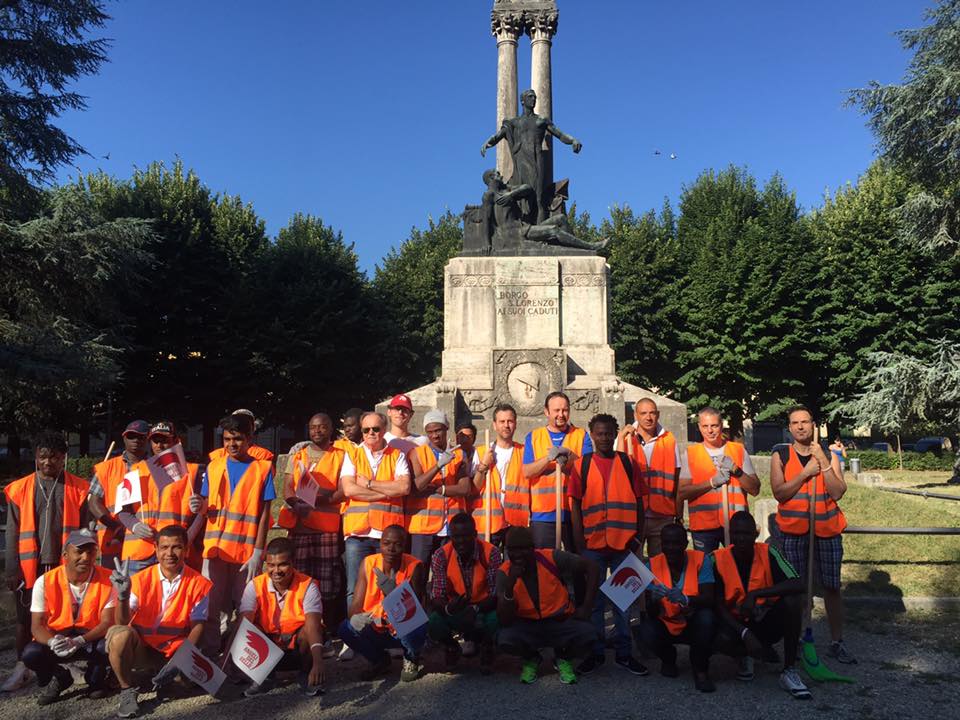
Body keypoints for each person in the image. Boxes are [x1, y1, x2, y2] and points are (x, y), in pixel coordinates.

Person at [3, 432, 89, 693]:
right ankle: (22, 668)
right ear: (36, 458)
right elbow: (12, 532)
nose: (48, 461)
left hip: (65, 565)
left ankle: (65, 665)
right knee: (24, 618)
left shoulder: (79, 488)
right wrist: (11, 568)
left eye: (54, 456)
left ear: (64, 458)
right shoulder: (19, 489)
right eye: (43, 456)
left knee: (63, 617)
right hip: (30, 566)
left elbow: (85, 532)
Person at [771, 406, 853, 664]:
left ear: (813, 425)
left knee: (831, 587)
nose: (800, 427)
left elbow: (838, 491)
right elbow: (780, 493)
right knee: (798, 589)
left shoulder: (829, 454)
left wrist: (825, 462)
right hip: (794, 531)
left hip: (826, 531)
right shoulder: (780, 454)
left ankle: (836, 641)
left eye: (805, 422)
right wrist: (806, 473)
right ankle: (798, 639)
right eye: (795, 423)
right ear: (789, 427)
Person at [568, 413, 648, 676]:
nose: (604, 438)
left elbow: (639, 502)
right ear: (592, 435)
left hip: (623, 544)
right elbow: (575, 505)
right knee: (595, 603)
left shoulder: (628, 463)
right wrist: (579, 541)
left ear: (615, 435)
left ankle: (625, 654)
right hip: (593, 544)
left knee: (624, 603)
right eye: (599, 433)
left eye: (608, 433)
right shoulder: (581, 465)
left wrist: (638, 537)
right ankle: (596, 654)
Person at [106, 524, 212, 718]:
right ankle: (127, 690)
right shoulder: (139, 579)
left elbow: (198, 627)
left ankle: (159, 676)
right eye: (164, 547)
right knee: (119, 636)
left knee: (186, 685)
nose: (169, 553)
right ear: (155, 549)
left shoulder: (199, 583)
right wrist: (122, 596)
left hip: (171, 651)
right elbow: (122, 621)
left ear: (186, 550)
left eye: (176, 547)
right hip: (141, 647)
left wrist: (180, 660)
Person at [192, 413, 274, 655]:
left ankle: (240, 658)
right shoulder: (215, 466)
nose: (231, 444)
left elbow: (264, 514)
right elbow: (210, 506)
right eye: (227, 439)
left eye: (237, 439)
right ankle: (210, 654)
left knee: (246, 606)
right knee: (210, 606)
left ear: (250, 439)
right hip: (216, 550)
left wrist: (259, 552)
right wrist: (200, 506)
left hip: (246, 552)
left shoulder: (263, 468)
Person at [712, 512, 810, 699]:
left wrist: (756, 594)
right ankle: (744, 654)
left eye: (746, 533)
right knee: (716, 634)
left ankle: (789, 670)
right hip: (734, 626)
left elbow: (798, 583)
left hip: (762, 620)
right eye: (736, 533)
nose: (741, 538)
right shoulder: (716, 559)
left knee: (792, 600)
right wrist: (744, 632)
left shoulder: (768, 552)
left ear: (755, 534)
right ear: (730, 534)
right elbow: (716, 604)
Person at [339, 412, 411, 660]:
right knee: (353, 589)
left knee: (390, 588)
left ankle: (394, 635)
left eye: (376, 429)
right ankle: (354, 636)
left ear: (384, 429)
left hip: (386, 533)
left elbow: (403, 487)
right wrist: (384, 491)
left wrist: (368, 484)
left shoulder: (397, 455)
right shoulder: (352, 454)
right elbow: (348, 488)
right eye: (367, 429)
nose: (371, 434)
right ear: (361, 430)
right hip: (358, 532)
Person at [495, 527, 599, 685]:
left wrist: (586, 606)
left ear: (532, 547)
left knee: (589, 634)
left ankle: (563, 657)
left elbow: (592, 567)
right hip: (527, 625)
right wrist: (510, 586)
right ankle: (531, 658)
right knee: (505, 639)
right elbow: (504, 620)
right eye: (512, 550)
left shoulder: (551, 557)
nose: (517, 554)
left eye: (523, 548)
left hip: (559, 622)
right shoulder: (504, 572)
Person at [277, 412, 347, 646]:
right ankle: (303, 630)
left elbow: (342, 490)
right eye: (313, 427)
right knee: (301, 582)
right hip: (300, 529)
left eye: (322, 427)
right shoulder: (297, 456)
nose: (317, 431)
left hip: (326, 530)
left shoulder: (341, 456)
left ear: (330, 429)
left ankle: (325, 631)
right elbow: (288, 488)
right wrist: (296, 502)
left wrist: (317, 497)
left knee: (327, 584)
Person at [23, 529, 114, 705]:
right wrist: (51, 642)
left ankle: (95, 678)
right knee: (31, 654)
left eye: (91, 551)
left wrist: (80, 640)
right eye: (79, 551)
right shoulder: (45, 581)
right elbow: (36, 625)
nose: (86, 557)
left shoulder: (108, 578)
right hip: (58, 638)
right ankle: (61, 677)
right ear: (65, 555)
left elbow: (107, 622)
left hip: (90, 638)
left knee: (109, 644)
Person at [338, 525, 427, 683]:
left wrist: (393, 595)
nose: (391, 549)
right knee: (345, 629)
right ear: (380, 544)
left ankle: (411, 657)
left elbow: (417, 613)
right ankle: (379, 660)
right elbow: (356, 605)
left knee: (415, 626)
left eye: (397, 544)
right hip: (376, 627)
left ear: (404, 546)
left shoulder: (415, 566)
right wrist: (357, 618)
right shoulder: (368, 563)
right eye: (386, 543)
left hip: (402, 629)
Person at [237, 537, 324, 697]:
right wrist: (229, 663)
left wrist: (318, 663)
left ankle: (306, 675)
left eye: (282, 564)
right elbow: (244, 625)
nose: (276, 571)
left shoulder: (308, 585)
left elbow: (313, 627)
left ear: (293, 563)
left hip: (298, 651)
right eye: (271, 565)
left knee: (308, 631)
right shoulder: (254, 585)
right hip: (268, 651)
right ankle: (263, 678)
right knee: (246, 627)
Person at [113, 421, 202, 576]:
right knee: (135, 599)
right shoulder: (136, 470)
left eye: (164, 440)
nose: (159, 445)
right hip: (140, 550)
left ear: (176, 441)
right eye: (155, 440)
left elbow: (202, 513)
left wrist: (188, 537)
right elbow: (122, 509)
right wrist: (134, 526)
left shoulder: (192, 472)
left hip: (173, 551)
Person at [481, 88, 582, 224]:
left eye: (534, 97)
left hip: (537, 160)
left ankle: (540, 232)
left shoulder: (541, 121)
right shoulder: (514, 122)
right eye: (530, 97)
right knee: (523, 197)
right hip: (521, 161)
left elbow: (560, 134)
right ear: (522, 101)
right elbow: (499, 135)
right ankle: (525, 227)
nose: (533, 100)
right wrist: (488, 142)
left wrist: (573, 141)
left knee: (539, 197)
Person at [636, 523, 716, 692]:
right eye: (667, 543)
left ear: (685, 544)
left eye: (676, 543)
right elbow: (650, 613)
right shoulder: (651, 566)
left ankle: (700, 669)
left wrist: (686, 599)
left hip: (693, 620)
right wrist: (653, 600)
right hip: (666, 622)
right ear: (661, 544)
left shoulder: (701, 560)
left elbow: (709, 598)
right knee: (645, 630)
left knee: (707, 618)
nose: (671, 548)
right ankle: (668, 658)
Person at [678, 408, 760, 553]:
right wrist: (711, 483)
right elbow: (682, 493)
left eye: (714, 426)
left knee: (736, 570)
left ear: (721, 425)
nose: (710, 430)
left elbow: (755, 489)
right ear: (699, 427)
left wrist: (737, 471)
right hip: (703, 528)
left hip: (736, 526)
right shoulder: (690, 454)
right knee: (706, 571)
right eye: (705, 426)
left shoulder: (738, 451)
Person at [427, 513, 501, 671]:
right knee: (433, 622)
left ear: (475, 535)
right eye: (456, 537)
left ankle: (487, 646)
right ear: (450, 536)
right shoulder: (441, 555)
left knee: (497, 617)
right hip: (455, 609)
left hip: (483, 608)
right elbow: (437, 596)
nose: (461, 541)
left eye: (466, 536)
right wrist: (448, 609)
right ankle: (451, 647)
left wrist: (475, 609)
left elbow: (495, 593)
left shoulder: (491, 552)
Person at [522, 391, 593, 551]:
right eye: (556, 410)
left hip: (574, 513)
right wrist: (548, 459)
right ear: (546, 412)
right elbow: (527, 472)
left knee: (576, 565)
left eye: (565, 410)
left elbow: (588, 468)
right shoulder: (533, 437)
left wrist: (569, 456)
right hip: (543, 515)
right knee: (545, 566)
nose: (561, 414)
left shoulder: (581, 435)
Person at [407, 410, 472, 565]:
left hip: (451, 526)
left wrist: (438, 489)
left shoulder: (460, 454)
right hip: (423, 527)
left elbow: (464, 489)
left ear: (446, 428)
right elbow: (418, 485)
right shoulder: (416, 453)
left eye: (438, 430)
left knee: (450, 574)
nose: (434, 435)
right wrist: (439, 464)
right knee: (418, 573)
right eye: (430, 432)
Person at [618, 398, 682, 556]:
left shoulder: (669, 440)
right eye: (644, 413)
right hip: (634, 514)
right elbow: (617, 469)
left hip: (662, 515)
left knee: (661, 566)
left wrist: (678, 514)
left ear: (658, 414)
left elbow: (677, 478)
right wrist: (620, 439)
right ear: (635, 415)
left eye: (652, 413)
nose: (648, 417)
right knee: (634, 567)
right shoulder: (625, 438)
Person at [88, 420, 151, 568]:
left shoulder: (156, 467)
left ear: (147, 439)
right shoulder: (107, 468)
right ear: (124, 438)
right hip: (113, 540)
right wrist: (116, 527)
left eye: (140, 437)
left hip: (146, 541)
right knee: (112, 588)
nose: (135, 440)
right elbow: (93, 502)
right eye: (131, 436)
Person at [471, 403, 529, 547]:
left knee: (514, 567)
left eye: (510, 421)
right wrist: (483, 466)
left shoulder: (524, 452)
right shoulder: (482, 451)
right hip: (488, 521)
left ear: (515, 424)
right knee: (489, 565)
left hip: (516, 521)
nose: (506, 425)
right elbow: (474, 488)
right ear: (495, 425)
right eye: (502, 421)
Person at [208, 409, 275, 462]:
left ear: (253, 428)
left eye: (246, 424)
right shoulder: (217, 455)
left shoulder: (263, 454)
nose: (232, 444)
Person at [384, 393, 427, 460]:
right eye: (397, 408)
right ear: (389, 412)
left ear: (411, 414)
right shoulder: (382, 440)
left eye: (405, 410)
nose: (400, 412)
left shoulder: (423, 441)